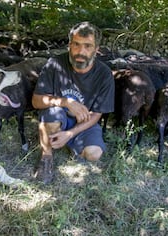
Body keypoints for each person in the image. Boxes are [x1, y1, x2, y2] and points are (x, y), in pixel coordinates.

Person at [31, 22, 115, 184]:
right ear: (70, 45)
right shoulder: (55, 64)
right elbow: (36, 101)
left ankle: (67, 140)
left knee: (94, 154)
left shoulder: (104, 74)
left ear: (97, 49)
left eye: (87, 46)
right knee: (53, 115)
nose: (81, 51)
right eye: (76, 44)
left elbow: (96, 114)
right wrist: (66, 102)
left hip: (84, 121)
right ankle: (46, 157)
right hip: (57, 115)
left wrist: (70, 133)